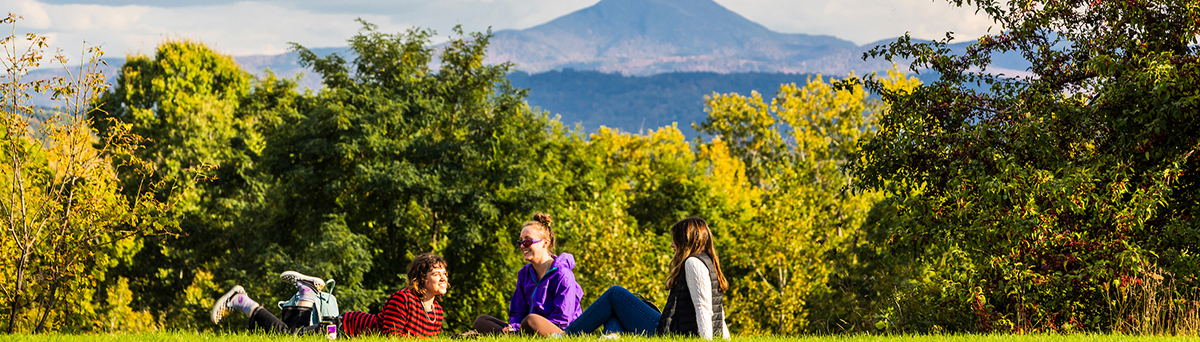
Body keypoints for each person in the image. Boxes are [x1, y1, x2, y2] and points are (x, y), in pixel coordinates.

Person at [523, 217, 731, 340]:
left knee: (615, 294)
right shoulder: (707, 261)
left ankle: (567, 337)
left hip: (670, 333)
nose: (671, 246)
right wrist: (725, 338)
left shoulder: (692, 263)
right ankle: (610, 338)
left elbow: (704, 308)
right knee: (621, 306)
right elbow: (717, 309)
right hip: (673, 327)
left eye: (674, 241)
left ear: (685, 240)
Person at [211, 253, 449, 338]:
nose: (443, 278)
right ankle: (241, 301)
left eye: (445, 274)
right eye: (436, 273)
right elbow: (389, 337)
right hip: (343, 330)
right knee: (291, 339)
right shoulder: (403, 299)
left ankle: (307, 291)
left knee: (293, 335)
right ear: (420, 279)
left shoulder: (437, 312)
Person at [472, 212, 583, 335]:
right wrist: (514, 327)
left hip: (560, 331)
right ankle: (513, 335)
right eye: (520, 242)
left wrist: (524, 328)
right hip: (526, 328)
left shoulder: (563, 274)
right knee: (481, 321)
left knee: (531, 320)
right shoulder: (524, 274)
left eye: (528, 241)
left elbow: (563, 318)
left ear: (545, 243)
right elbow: (517, 311)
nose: (522, 246)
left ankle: (512, 335)